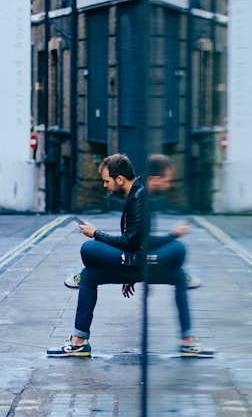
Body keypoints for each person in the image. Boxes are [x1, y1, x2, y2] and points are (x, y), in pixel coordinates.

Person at [47, 153, 214, 358]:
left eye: (106, 181)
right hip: (134, 263)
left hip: (136, 262)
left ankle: (187, 343)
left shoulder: (140, 197)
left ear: (119, 179)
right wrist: (126, 270)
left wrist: (96, 233)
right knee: (90, 276)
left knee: (88, 249)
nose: (105, 186)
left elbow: (131, 242)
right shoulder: (138, 194)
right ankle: (79, 342)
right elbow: (139, 239)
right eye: (167, 179)